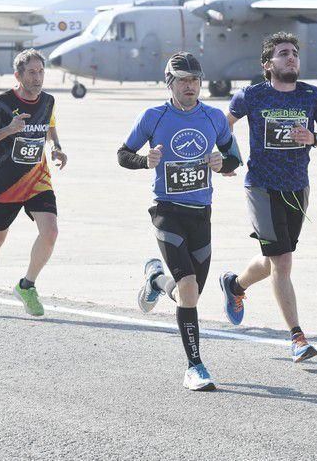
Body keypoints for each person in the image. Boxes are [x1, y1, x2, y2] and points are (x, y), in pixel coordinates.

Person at [117, 52, 241, 391]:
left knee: (191, 294)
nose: (190, 86)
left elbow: (234, 158)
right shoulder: (153, 116)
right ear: (170, 83)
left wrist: (221, 163)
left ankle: (157, 281)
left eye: (194, 80)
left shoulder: (214, 117)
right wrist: (145, 161)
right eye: (183, 81)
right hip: (167, 211)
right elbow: (122, 154)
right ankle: (195, 367)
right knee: (188, 289)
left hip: (201, 215)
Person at [219, 31, 317, 363]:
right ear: (267, 64)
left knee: (274, 261)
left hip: (297, 188)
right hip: (261, 187)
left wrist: (312, 137)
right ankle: (297, 337)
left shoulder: (312, 96)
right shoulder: (251, 96)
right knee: (283, 262)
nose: (291, 58)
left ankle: (235, 286)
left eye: (294, 53)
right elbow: (222, 127)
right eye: (283, 53)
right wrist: (228, 158)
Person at [0, 49, 67, 317]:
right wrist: (8, 130)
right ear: (18, 75)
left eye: (41, 72)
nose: (38, 78)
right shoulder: (0, 104)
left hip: (38, 179)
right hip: (6, 183)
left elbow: (49, 125)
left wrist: (57, 147)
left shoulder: (48, 101)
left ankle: (27, 285)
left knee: (51, 233)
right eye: (32, 73)